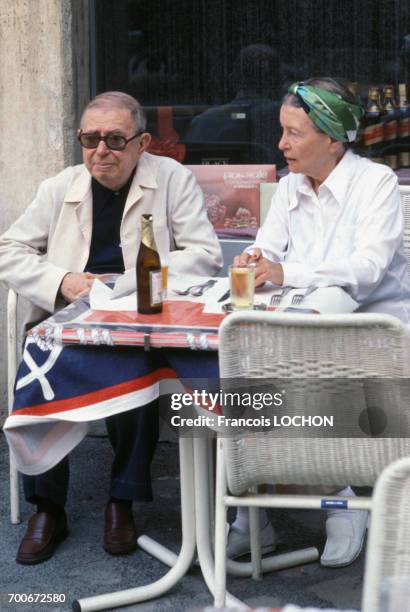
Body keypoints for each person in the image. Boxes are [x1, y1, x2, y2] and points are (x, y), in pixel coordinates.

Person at [0, 91, 222, 564]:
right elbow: (9, 249)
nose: (101, 150)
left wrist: (131, 281)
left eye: (115, 140)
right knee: (42, 362)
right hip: (67, 318)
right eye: (90, 139)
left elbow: (204, 254)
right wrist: (64, 281)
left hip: (140, 315)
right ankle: (47, 507)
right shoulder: (60, 186)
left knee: (134, 368)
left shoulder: (171, 179)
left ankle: (121, 501)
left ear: (143, 143)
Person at [228, 76, 410, 568]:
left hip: (372, 333)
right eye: (282, 131)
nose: (282, 143)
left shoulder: (375, 184)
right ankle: (252, 508)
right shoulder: (289, 187)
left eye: (294, 133)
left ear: (333, 140)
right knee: (238, 371)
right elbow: (268, 247)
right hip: (302, 324)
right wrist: (254, 258)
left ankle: (337, 503)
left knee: (274, 382)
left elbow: (367, 269)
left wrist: (287, 271)